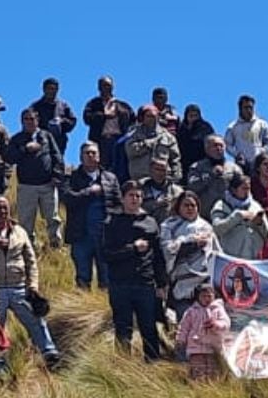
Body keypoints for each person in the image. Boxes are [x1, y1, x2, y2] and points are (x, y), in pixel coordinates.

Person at [0, 196, 62, 367]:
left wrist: (33, 285)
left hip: (19, 287)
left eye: (5, 208)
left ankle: (49, 352)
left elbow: (31, 261)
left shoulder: (20, 231)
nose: (3, 211)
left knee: (36, 319)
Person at [103, 181, 171, 361]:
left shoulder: (150, 222)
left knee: (149, 328)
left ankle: (153, 366)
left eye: (138, 196)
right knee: (123, 329)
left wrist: (162, 283)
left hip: (145, 283)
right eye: (131, 195)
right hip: (120, 284)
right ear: (123, 198)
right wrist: (132, 248)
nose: (135, 199)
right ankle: (123, 367)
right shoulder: (112, 221)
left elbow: (158, 256)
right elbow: (107, 255)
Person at [63, 142, 119, 290]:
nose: (90, 155)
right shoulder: (71, 177)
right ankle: (83, 310)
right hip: (81, 235)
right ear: (81, 157)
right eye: (86, 153)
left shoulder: (110, 178)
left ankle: (105, 310)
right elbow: (67, 199)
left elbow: (118, 206)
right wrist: (89, 191)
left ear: (99, 156)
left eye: (93, 152)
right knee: (82, 278)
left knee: (107, 277)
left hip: (105, 236)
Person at [7, 108, 64, 248]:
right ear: (21, 122)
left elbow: (57, 156)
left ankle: (55, 245)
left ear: (37, 120)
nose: (29, 122)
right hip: (27, 186)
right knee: (26, 221)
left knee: (53, 218)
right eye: (26, 119)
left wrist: (57, 175)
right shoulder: (17, 139)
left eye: (32, 119)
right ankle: (28, 248)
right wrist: (25, 149)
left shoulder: (46, 135)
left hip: (47, 185)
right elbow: (9, 157)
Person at [160, 191, 218, 319]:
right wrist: (190, 243)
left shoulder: (206, 226)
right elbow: (167, 251)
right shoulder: (169, 226)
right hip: (182, 284)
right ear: (179, 207)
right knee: (186, 323)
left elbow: (216, 253)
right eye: (186, 205)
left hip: (204, 283)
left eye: (193, 205)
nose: (190, 208)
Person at [211, 172, 268, 259]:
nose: (247, 192)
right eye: (243, 188)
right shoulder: (222, 205)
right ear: (233, 190)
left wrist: (260, 224)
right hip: (231, 258)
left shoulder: (255, 206)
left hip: (254, 258)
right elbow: (217, 229)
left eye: (248, 188)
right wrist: (237, 216)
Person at [176, 283, 230, 382]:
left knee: (212, 371)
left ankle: (211, 391)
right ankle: (198, 389)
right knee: (198, 370)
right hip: (195, 348)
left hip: (213, 347)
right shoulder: (191, 311)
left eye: (209, 296)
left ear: (214, 296)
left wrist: (216, 324)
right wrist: (181, 339)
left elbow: (226, 323)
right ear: (198, 297)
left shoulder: (218, 310)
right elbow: (184, 327)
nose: (207, 298)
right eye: (203, 296)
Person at [81, 77, 133, 174]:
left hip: (120, 140)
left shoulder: (123, 105)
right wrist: (103, 115)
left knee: (120, 167)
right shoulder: (93, 104)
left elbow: (133, 120)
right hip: (101, 140)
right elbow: (87, 119)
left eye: (108, 85)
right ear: (99, 87)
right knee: (102, 167)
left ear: (113, 87)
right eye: (104, 85)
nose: (106, 88)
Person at [122, 104, 180, 183]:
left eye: (154, 116)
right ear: (143, 118)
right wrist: (149, 143)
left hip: (163, 179)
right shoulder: (133, 135)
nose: (152, 119)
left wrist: (176, 177)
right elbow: (130, 151)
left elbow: (175, 159)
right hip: (140, 178)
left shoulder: (168, 137)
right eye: (148, 116)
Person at [183, 135, 236, 217]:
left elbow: (242, 190)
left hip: (229, 217)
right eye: (215, 145)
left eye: (221, 145)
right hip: (205, 216)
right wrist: (210, 175)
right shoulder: (197, 167)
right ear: (207, 149)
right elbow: (192, 187)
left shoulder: (234, 168)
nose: (219, 148)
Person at [28, 77, 78, 155]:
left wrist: (61, 121)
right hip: (40, 141)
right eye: (49, 88)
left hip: (59, 141)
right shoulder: (35, 106)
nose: (51, 91)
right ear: (44, 89)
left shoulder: (63, 105)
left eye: (54, 89)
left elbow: (72, 121)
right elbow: (28, 122)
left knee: (58, 163)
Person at [224, 94, 268, 174]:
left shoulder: (262, 124)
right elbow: (227, 145)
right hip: (241, 164)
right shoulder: (233, 127)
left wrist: (261, 152)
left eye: (251, 107)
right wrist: (237, 154)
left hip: (259, 163)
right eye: (246, 107)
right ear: (240, 109)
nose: (249, 110)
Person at [137, 157, 185, 223]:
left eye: (163, 170)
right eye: (157, 169)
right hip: (145, 225)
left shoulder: (177, 191)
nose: (160, 173)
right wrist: (155, 205)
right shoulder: (140, 189)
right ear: (150, 170)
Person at [175, 104, 215, 172]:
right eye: (191, 116)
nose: (193, 118)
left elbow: (211, 143)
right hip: (184, 164)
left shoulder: (205, 127)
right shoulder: (181, 129)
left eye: (195, 116)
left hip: (201, 163)